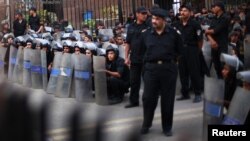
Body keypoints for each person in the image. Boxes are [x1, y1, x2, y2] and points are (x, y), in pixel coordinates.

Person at [140, 8, 183, 136]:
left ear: (164, 20)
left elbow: (180, 51)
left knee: (168, 99)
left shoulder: (173, 34)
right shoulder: (146, 34)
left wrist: (171, 61)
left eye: (157, 19)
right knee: (148, 98)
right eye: (153, 18)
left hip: (168, 69)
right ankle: (146, 123)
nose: (154, 21)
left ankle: (167, 127)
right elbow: (141, 51)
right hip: (151, 69)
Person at [174, 5, 203, 103]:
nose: (182, 12)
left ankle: (197, 94)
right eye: (181, 10)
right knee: (183, 72)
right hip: (181, 51)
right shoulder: (177, 24)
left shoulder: (195, 24)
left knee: (194, 72)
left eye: (185, 10)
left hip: (192, 50)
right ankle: (185, 93)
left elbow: (200, 40)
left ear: (190, 12)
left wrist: (197, 51)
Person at [124, 6, 148, 108]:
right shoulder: (131, 27)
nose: (145, 15)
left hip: (146, 58)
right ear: (137, 14)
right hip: (134, 58)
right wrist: (126, 57)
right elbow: (128, 43)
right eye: (142, 13)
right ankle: (134, 101)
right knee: (134, 81)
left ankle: (147, 101)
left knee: (148, 81)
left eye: (146, 13)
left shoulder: (149, 26)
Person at [205, 1, 229, 79]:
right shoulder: (214, 18)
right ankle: (219, 80)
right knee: (216, 64)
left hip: (222, 44)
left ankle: (225, 83)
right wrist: (212, 41)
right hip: (214, 44)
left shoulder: (225, 17)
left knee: (222, 64)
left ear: (219, 7)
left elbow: (216, 30)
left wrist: (208, 31)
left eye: (215, 7)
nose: (213, 8)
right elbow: (208, 31)